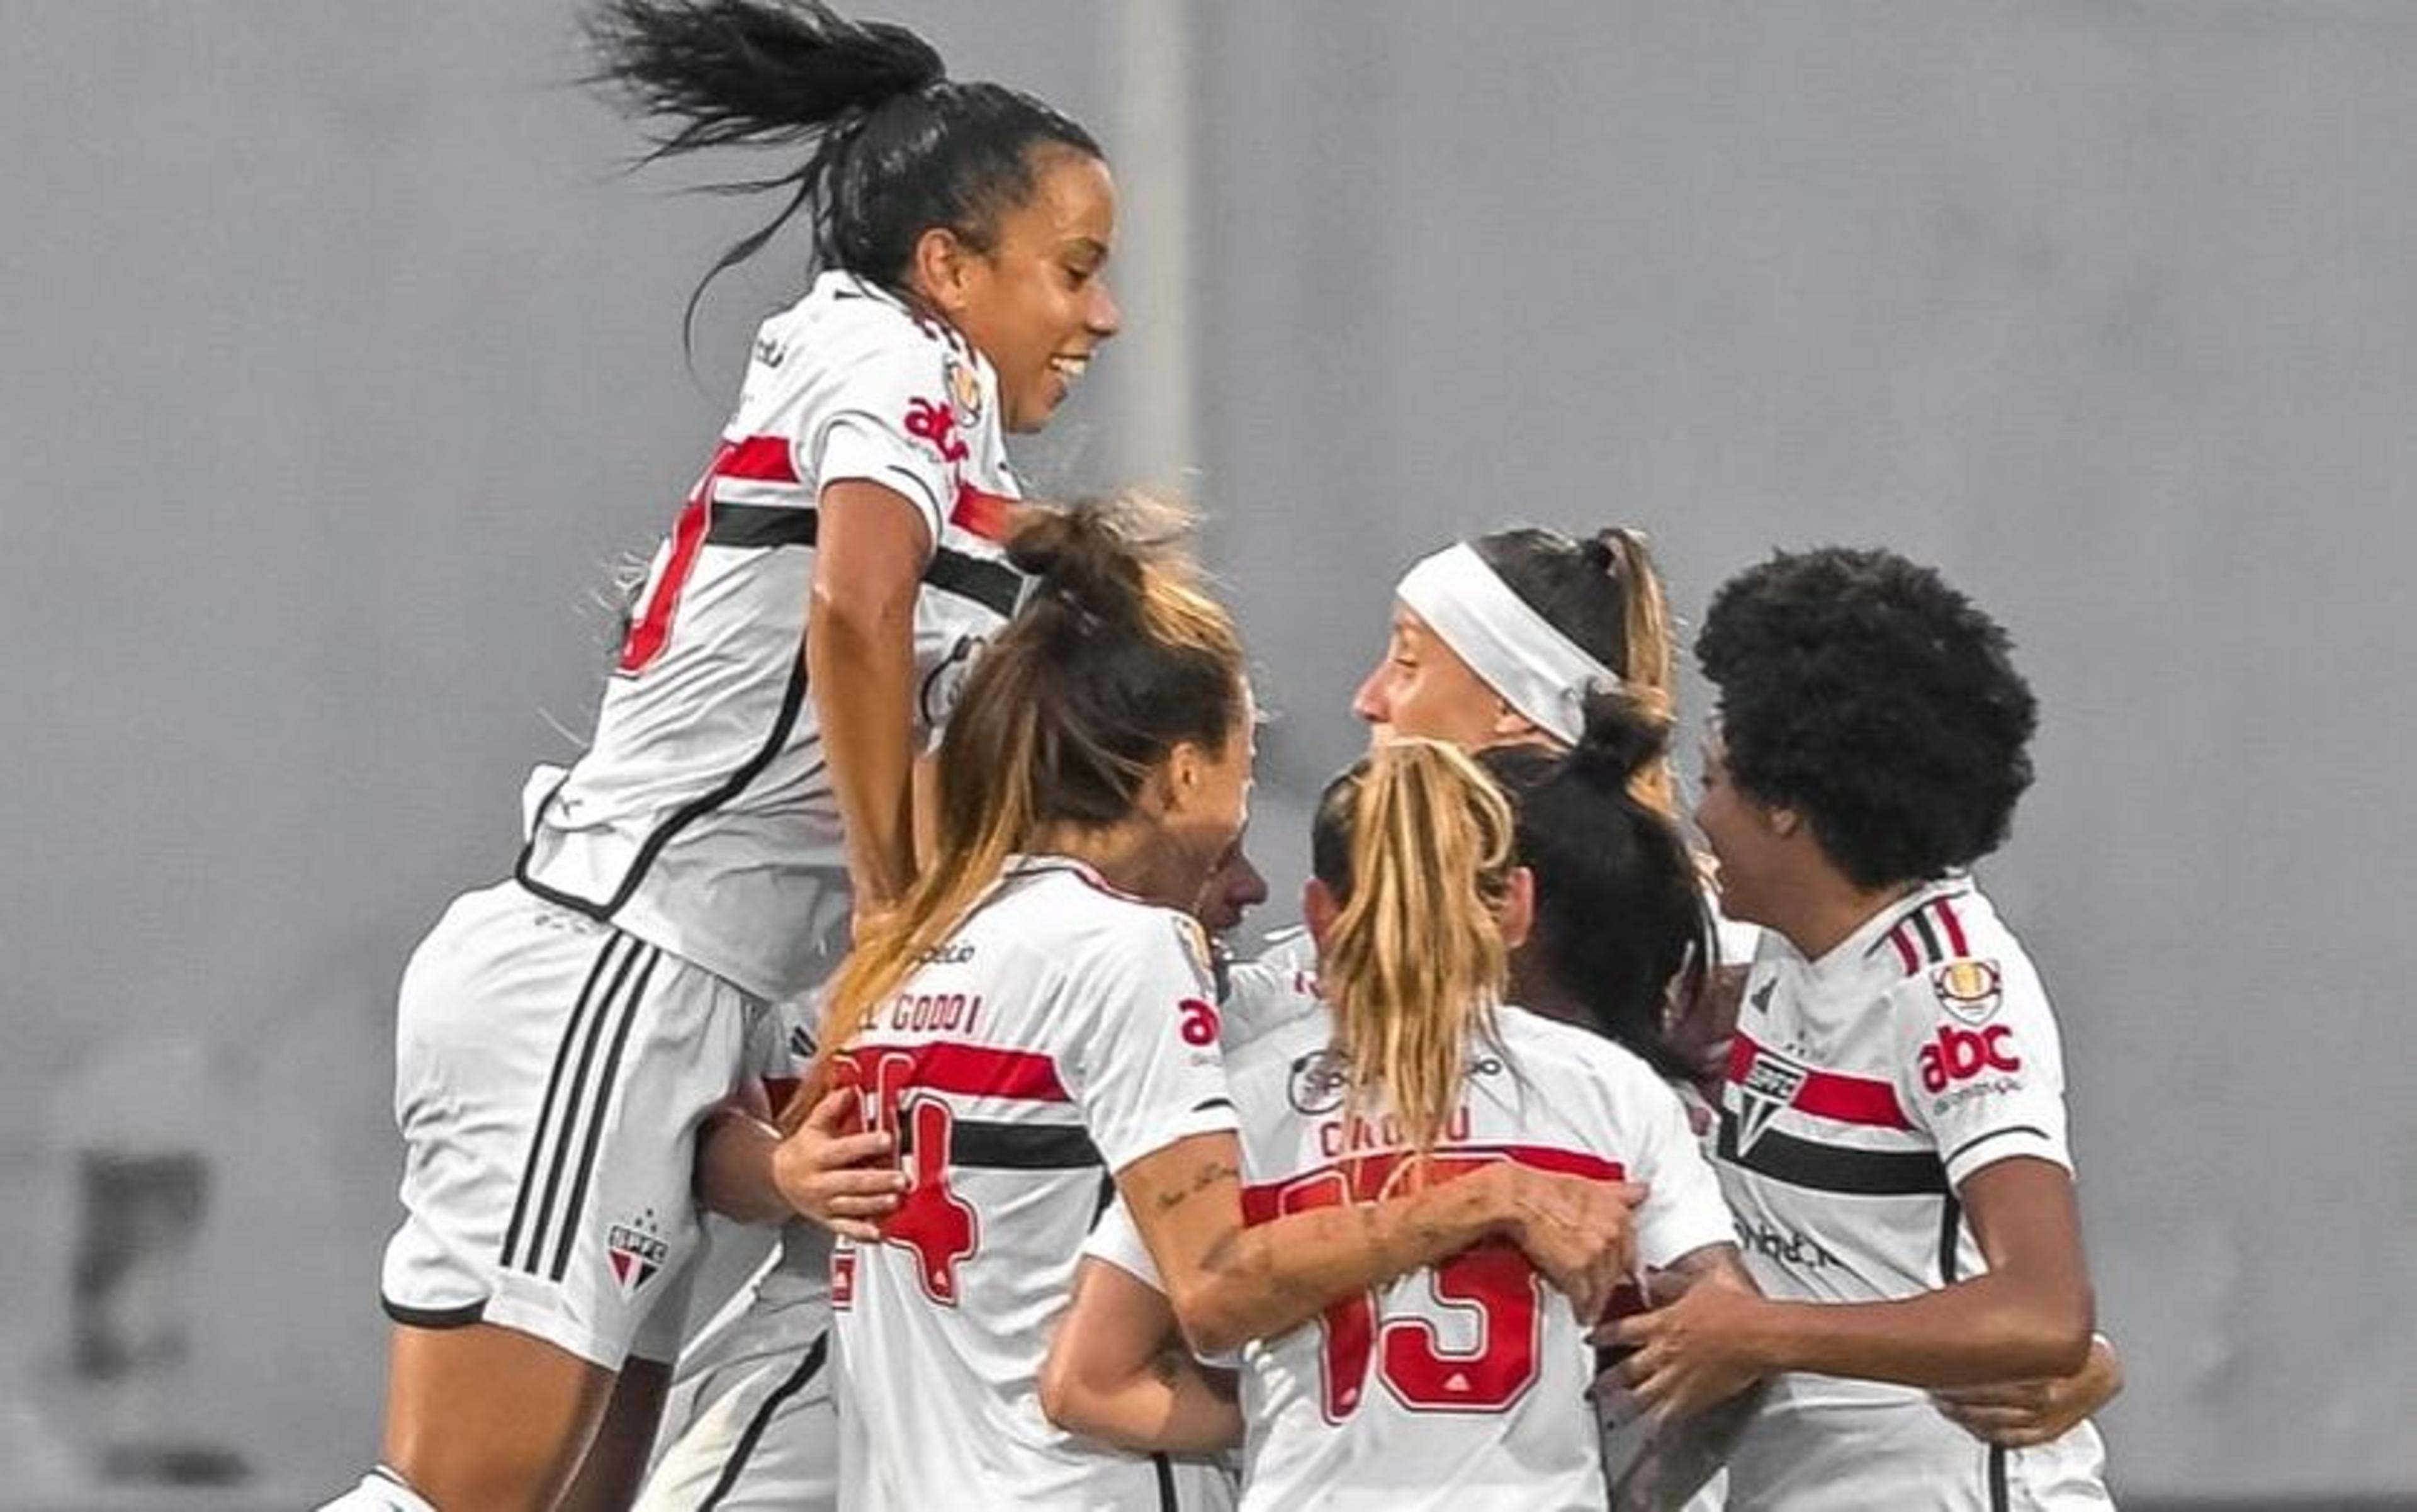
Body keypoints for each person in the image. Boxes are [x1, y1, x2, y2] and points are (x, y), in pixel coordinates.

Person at [332, 1, 1124, 1504]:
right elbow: (854, 606)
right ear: (951, 267)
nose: (1102, 318)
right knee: (454, 1498)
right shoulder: (882, 351)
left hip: (697, 991)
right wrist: (896, 914)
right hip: (614, 964)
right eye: (1075, 271)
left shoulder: (946, 425)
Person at [818, 497, 1645, 1508]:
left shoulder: (912, 949)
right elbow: (1212, 1280)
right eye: (1248, 756)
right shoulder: (1125, 947)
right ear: (1181, 772)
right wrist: (1485, 1206)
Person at [1042, 733, 1745, 1509]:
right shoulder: (1611, 1091)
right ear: (1516, 905)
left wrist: (1303, 1406)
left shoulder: (1236, 1102)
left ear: (1319, 913)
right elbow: (1735, 1339)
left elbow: (1089, 1379)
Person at [1611, 546, 2114, 1509]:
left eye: (1715, 777)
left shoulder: (1953, 993)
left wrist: (1761, 1332)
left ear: (1789, 807)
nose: (1700, 815)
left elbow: (2044, 1311)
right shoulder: (1777, 961)